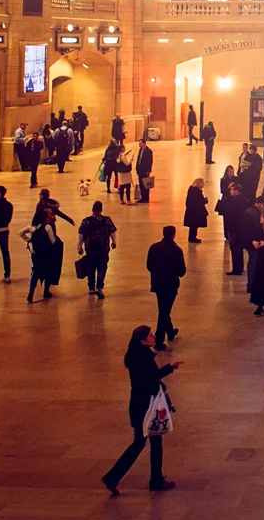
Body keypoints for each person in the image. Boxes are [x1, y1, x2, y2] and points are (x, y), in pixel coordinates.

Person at [101, 325, 179, 494]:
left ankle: (115, 477)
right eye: (150, 336)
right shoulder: (144, 359)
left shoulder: (136, 357)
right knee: (151, 443)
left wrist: (169, 368)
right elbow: (151, 382)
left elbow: (149, 377)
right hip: (147, 407)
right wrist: (162, 388)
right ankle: (152, 480)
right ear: (143, 341)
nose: (153, 337)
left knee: (141, 443)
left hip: (138, 405)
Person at [146, 225, 185, 349]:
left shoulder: (154, 247)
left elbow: (149, 266)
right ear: (174, 235)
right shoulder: (176, 250)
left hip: (158, 283)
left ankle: (170, 331)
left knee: (163, 308)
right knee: (164, 311)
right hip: (171, 284)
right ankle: (158, 341)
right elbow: (181, 271)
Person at [78, 200, 118, 297]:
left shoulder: (85, 221)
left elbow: (81, 235)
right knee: (102, 267)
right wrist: (114, 242)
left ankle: (91, 287)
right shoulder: (107, 220)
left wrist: (79, 247)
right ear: (101, 210)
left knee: (91, 267)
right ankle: (99, 285)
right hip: (103, 248)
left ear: (92, 209)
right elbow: (113, 232)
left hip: (90, 248)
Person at [26, 211, 64, 302]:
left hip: (36, 254)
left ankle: (31, 293)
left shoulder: (32, 227)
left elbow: (20, 232)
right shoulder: (47, 227)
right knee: (48, 271)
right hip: (47, 253)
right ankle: (46, 292)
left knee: (35, 272)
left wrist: (28, 240)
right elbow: (53, 241)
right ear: (44, 218)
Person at [183, 179, 209, 244]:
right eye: (202, 183)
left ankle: (192, 237)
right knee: (194, 226)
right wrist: (205, 200)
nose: (203, 184)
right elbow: (199, 201)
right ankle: (193, 238)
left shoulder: (192, 191)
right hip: (195, 212)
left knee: (193, 226)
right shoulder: (196, 192)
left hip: (192, 211)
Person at [135, 137, 155, 204]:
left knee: (145, 185)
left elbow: (150, 162)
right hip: (140, 170)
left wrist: (148, 170)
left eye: (140, 143)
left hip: (145, 170)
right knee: (141, 184)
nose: (139, 145)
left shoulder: (148, 151)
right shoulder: (140, 150)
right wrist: (137, 168)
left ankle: (146, 198)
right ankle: (142, 197)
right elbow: (138, 159)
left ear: (144, 143)